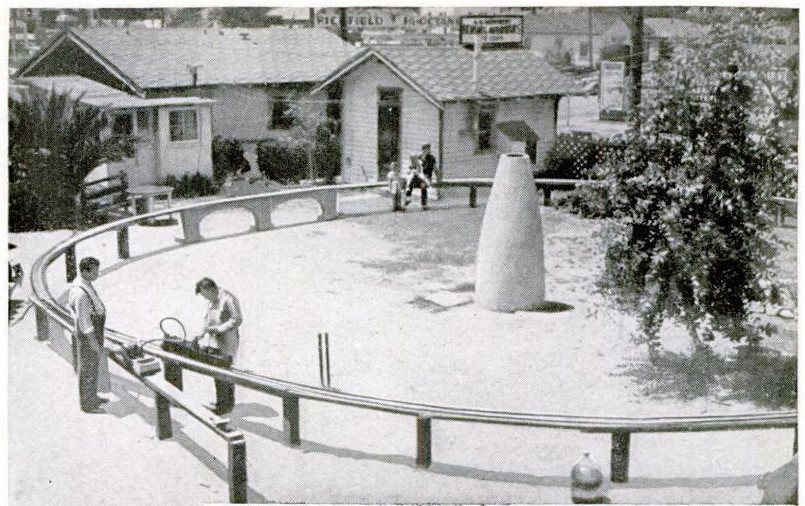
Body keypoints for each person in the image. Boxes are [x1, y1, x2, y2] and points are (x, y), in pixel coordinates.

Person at [195, 277, 243, 415]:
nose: (205, 299)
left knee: (225, 371)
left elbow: (237, 319)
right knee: (217, 371)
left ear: (210, 289)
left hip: (228, 339)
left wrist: (219, 329)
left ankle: (226, 406)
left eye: (205, 295)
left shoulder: (228, 298)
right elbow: (207, 320)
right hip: (214, 340)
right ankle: (221, 402)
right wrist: (201, 334)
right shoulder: (211, 300)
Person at [67, 257, 108, 414]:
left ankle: (93, 396)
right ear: (84, 271)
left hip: (94, 331)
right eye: (94, 271)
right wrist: (94, 343)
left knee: (93, 367)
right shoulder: (81, 294)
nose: (97, 274)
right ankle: (88, 405)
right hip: (89, 335)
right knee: (88, 369)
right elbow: (85, 323)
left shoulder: (84, 284)